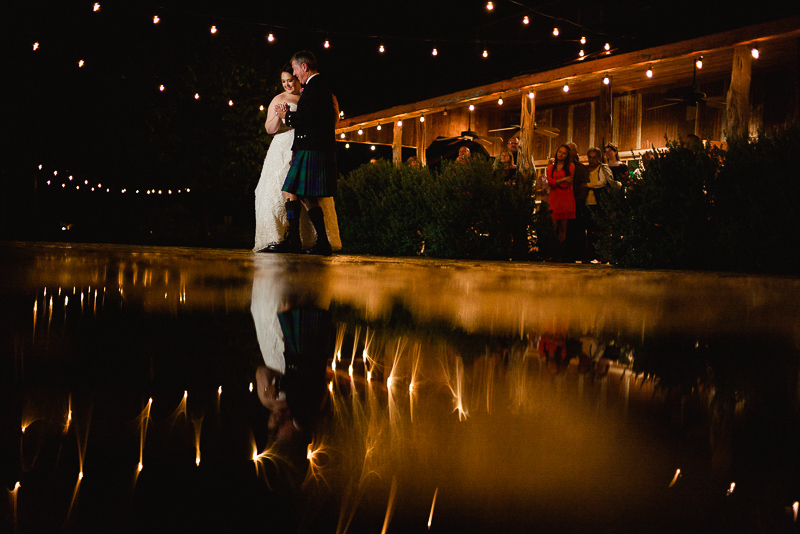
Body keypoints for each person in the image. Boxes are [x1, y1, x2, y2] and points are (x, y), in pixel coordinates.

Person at [254, 65, 341, 253]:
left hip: (305, 148)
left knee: (302, 192)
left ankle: (308, 240)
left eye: (290, 80)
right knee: (291, 190)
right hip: (283, 148)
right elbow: (270, 129)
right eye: (283, 81)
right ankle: (294, 238)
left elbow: (321, 120)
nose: (287, 84)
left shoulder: (310, 95)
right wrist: (280, 115)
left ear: (297, 78)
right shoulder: (279, 99)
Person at [545, 145, 576, 258]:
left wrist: (557, 182)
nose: (561, 154)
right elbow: (550, 182)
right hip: (554, 199)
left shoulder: (571, 166)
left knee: (563, 228)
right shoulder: (550, 168)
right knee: (552, 226)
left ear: (567, 155)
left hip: (566, 198)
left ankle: (560, 254)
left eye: (564, 153)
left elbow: (567, 183)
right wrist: (562, 179)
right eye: (559, 152)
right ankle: (551, 252)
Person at [585, 147, 613, 260]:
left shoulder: (603, 168)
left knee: (600, 229)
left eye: (594, 158)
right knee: (589, 230)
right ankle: (591, 254)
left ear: (599, 158)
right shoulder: (585, 169)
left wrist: (587, 185)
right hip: (587, 202)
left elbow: (601, 182)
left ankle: (602, 255)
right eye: (590, 157)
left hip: (599, 203)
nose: (591, 160)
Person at [566, 142, 589, 261]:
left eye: (571, 149)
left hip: (577, 203)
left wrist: (579, 200)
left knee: (578, 229)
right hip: (563, 203)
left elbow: (585, 186)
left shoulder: (581, 168)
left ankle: (580, 255)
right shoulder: (560, 167)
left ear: (576, 152)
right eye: (567, 149)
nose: (569, 152)